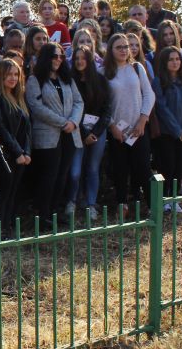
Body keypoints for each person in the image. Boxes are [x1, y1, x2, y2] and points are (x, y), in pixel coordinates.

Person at [27, 43, 83, 221]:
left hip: (70, 134)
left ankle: (54, 211)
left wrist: (73, 122)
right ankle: (43, 214)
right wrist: (63, 122)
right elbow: (36, 107)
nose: (58, 60)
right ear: (46, 58)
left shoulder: (67, 79)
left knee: (62, 175)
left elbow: (79, 102)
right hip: (48, 135)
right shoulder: (34, 80)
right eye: (54, 56)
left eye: (61, 56)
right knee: (49, 175)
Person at [103, 33, 156, 214]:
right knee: (120, 169)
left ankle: (152, 205)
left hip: (137, 128)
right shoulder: (104, 72)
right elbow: (102, 103)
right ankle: (122, 204)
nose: (124, 50)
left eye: (126, 46)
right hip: (117, 129)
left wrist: (143, 120)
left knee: (143, 167)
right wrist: (112, 126)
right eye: (119, 47)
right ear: (111, 50)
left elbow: (149, 94)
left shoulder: (137, 68)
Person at [151, 46, 182, 206]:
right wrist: (178, 131)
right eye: (171, 59)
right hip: (167, 133)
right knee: (168, 166)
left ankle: (174, 199)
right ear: (164, 62)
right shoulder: (159, 81)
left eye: (177, 59)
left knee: (180, 167)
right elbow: (162, 108)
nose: (175, 62)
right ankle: (164, 200)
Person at [0, 59, 31, 235]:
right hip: (5, 153)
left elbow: (27, 129)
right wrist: (17, 151)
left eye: (16, 74)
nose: (13, 78)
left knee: (14, 193)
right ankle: (0, 231)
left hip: (20, 155)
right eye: (8, 74)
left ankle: (8, 227)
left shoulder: (19, 96)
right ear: (1, 75)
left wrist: (27, 152)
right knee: (4, 194)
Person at [70, 45, 112, 221]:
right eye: (76, 58)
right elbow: (70, 109)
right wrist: (84, 132)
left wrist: (95, 132)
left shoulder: (100, 80)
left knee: (93, 168)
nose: (80, 61)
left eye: (83, 58)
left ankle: (91, 203)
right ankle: (72, 201)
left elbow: (107, 110)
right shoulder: (70, 80)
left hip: (97, 132)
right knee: (75, 171)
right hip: (76, 130)